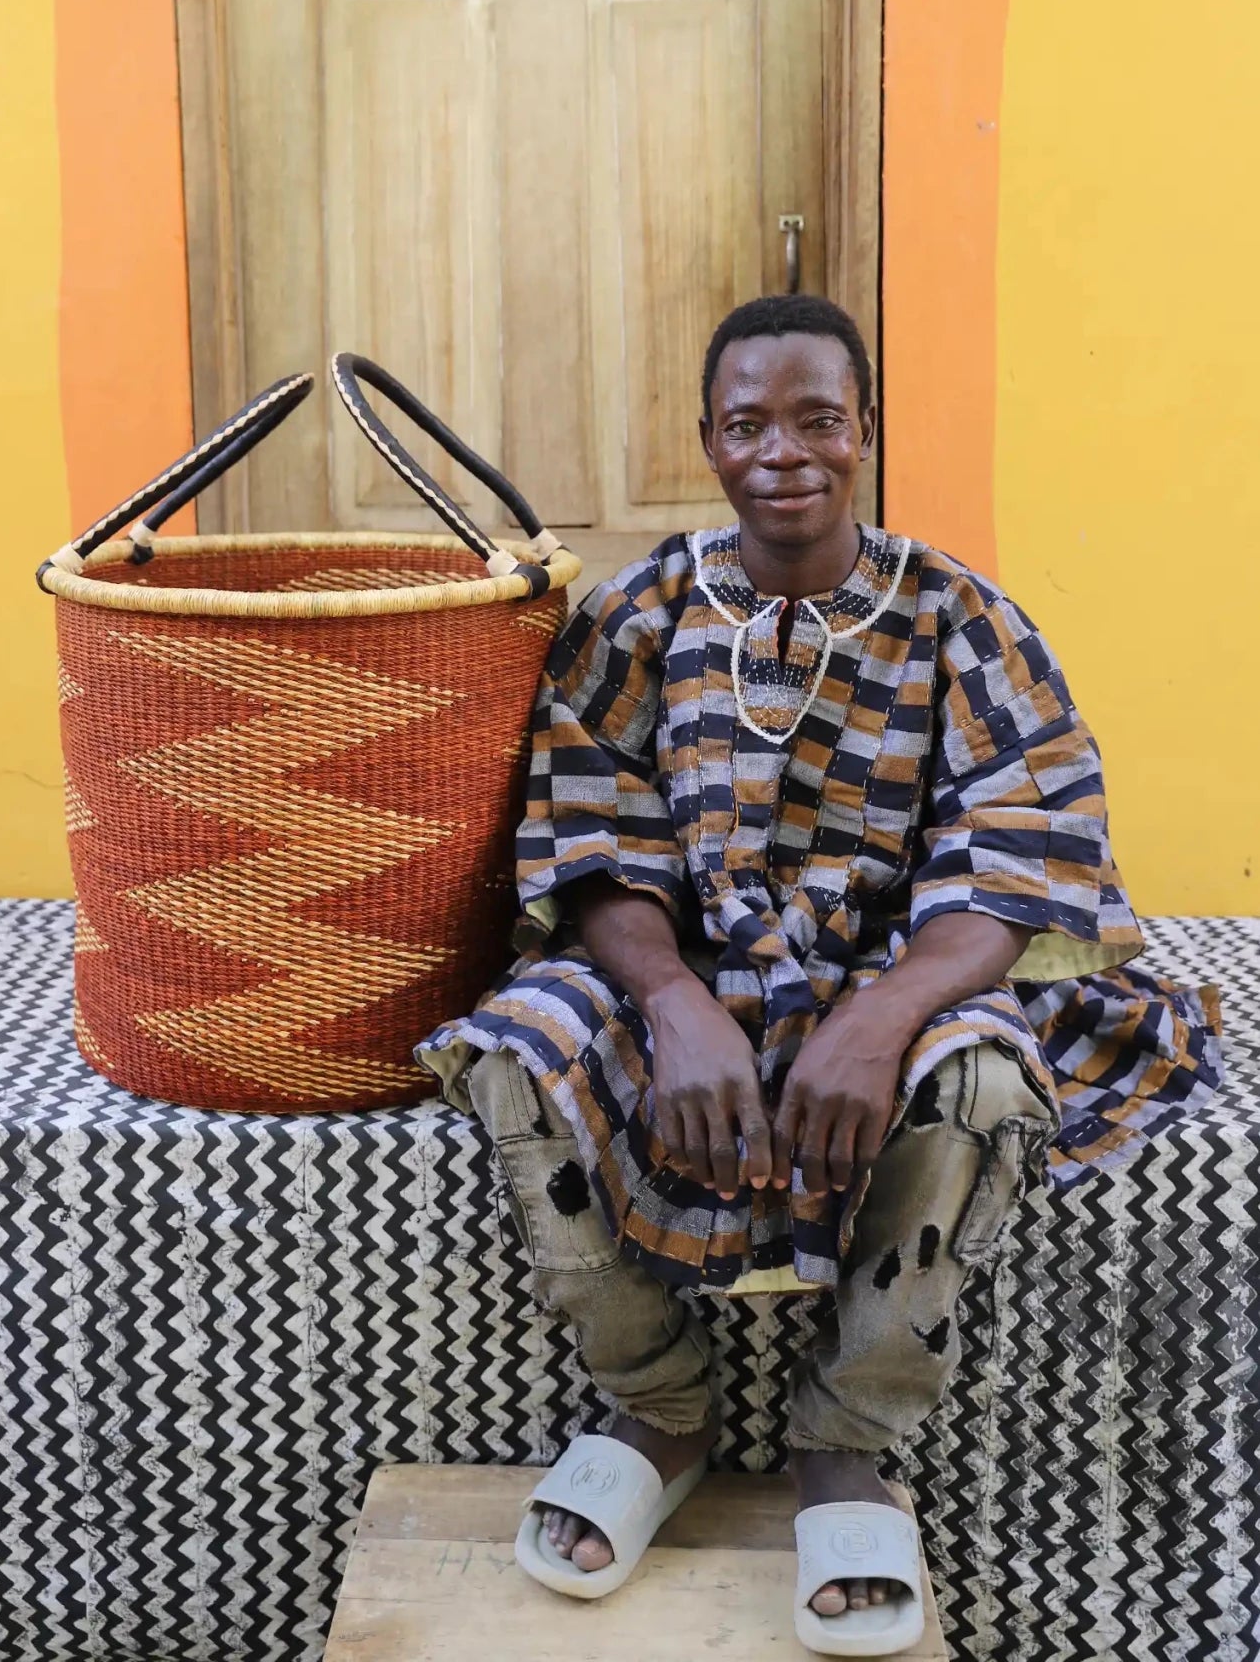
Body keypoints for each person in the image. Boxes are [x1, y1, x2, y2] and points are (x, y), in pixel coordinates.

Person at [418, 294, 1222, 1654]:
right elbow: (593, 840)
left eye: (814, 420)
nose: (781, 452)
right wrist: (671, 1003)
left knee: (975, 1073)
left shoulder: (959, 615)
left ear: (865, 433)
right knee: (515, 1048)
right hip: (691, 979)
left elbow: (1020, 862)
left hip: (899, 977)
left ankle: (848, 1440)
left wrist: (880, 1014)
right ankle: (658, 1405)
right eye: (746, 425)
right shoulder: (637, 614)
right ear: (706, 443)